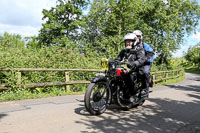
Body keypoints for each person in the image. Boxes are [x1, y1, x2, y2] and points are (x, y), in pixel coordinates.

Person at [115, 32, 147, 99]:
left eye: (130, 42)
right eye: (126, 42)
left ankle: (132, 95)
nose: (128, 43)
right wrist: (113, 61)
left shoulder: (139, 49)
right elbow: (118, 59)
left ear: (134, 42)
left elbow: (141, 59)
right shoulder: (124, 51)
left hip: (137, 69)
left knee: (129, 76)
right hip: (126, 69)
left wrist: (135, 63)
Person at [133, 30, 155, 97]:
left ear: (140, 37)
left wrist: (146, 60)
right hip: (138, 63)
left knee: (145, 72)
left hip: (146, 63)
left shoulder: (144, 45)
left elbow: (151, 53)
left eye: (138, 36)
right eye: (136, 37)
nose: (137, 38)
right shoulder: (133, 46)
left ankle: (146, 89)